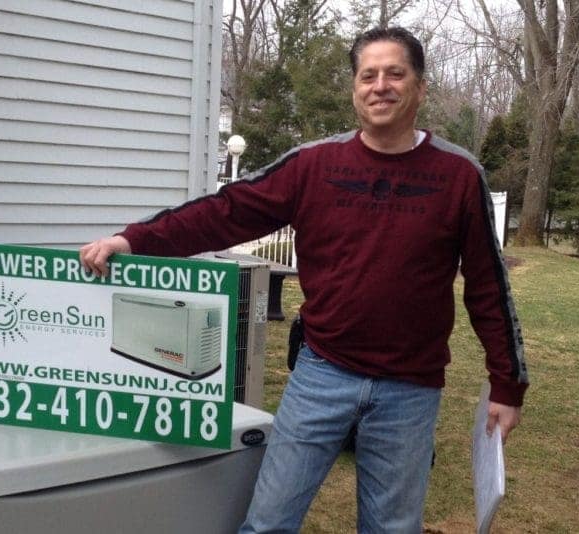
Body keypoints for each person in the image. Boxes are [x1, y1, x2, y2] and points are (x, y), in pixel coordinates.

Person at [81, 26, 527, 534]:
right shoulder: (315, 165)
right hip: (321, 374)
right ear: (355, 89)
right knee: (268, 524)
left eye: (395, 74)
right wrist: (134, 239)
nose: (380, 86)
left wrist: (506, 385)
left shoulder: (458, 175)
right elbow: (226, 211)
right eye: (368, 76)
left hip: (410, 388)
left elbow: (488, 286)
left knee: (392, 528)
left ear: (420, 87)